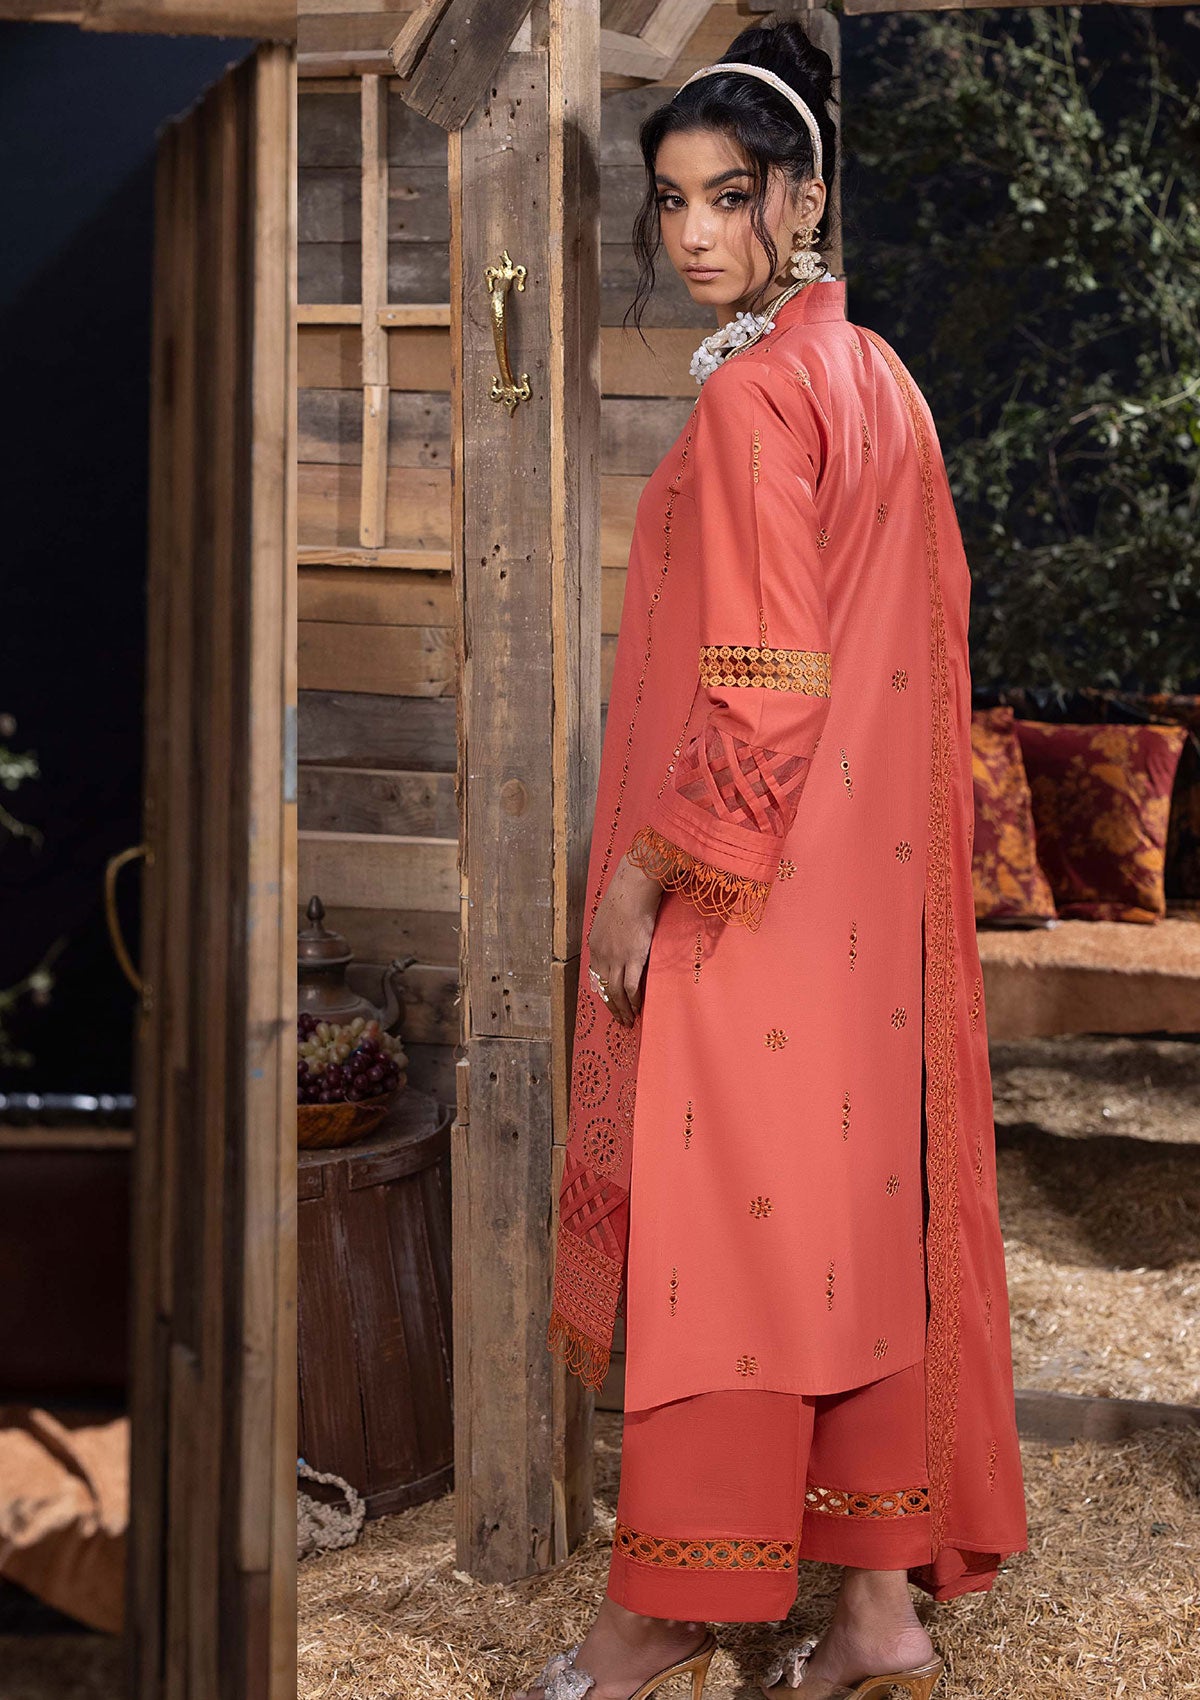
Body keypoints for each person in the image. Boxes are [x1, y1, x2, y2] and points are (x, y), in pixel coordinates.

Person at [523, 21, 1028, 1700]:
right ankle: (877, 1616)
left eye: (729, 198)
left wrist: (643, 875)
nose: (691, 234)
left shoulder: (753, 394)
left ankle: (652, 1620)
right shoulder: (879, 376)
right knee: (846, 1239)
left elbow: (765, 682)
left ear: (803, 199)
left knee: (718, 1253)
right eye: (671, 201)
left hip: (749, 904)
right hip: (864, 924)